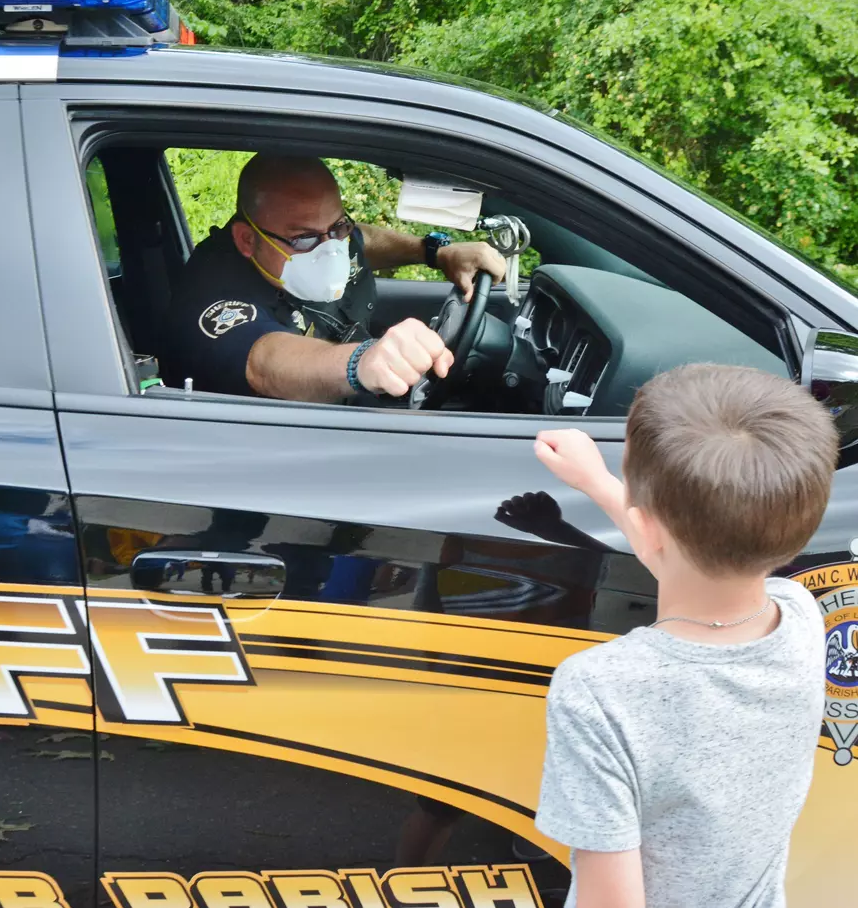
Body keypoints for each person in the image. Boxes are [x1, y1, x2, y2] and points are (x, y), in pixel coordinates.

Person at [532, 363, 834, 908]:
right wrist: (602, 485)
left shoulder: (599, 691)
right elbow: (684, 561)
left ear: (645, 523)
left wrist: (612, 485)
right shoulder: (801, 619)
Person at [162, 154, 506, 401]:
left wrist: (433, 252)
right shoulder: (212, 295)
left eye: (337, 225)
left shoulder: (330, 239)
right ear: (247, 240)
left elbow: (360, 241)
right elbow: (265, 362)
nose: (329, 249)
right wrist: (362, 362)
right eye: (304, 238)